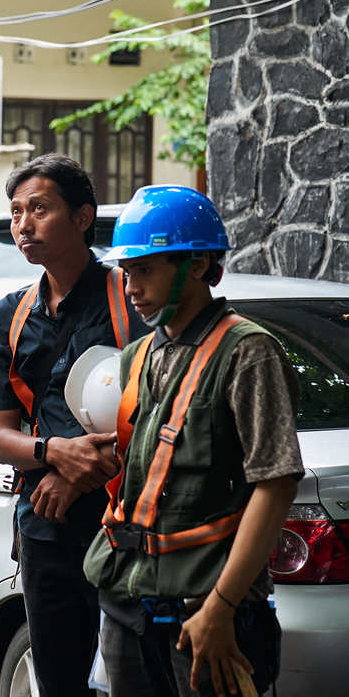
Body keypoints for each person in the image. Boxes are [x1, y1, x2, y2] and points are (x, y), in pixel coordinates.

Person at [82, 185, 302, 697]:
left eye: (144, 269)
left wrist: (222, 606)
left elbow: (276, 485)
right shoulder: (136, 356)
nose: (130, 286)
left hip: (208, 609)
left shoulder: (248, 353)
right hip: (128, 600)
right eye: (126, 272)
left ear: (199, 264)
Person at [0, 153, 147, 696]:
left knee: (131, 679)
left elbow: (163, 415)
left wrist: (78, 474)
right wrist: (54, 453)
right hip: (43, 529)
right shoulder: (8, 315)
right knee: (57, 679)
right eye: (16, 211)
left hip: (123, 526)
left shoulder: (131, 299)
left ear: (82, 216)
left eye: (40, 208)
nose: (23, 223)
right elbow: (1, 437)